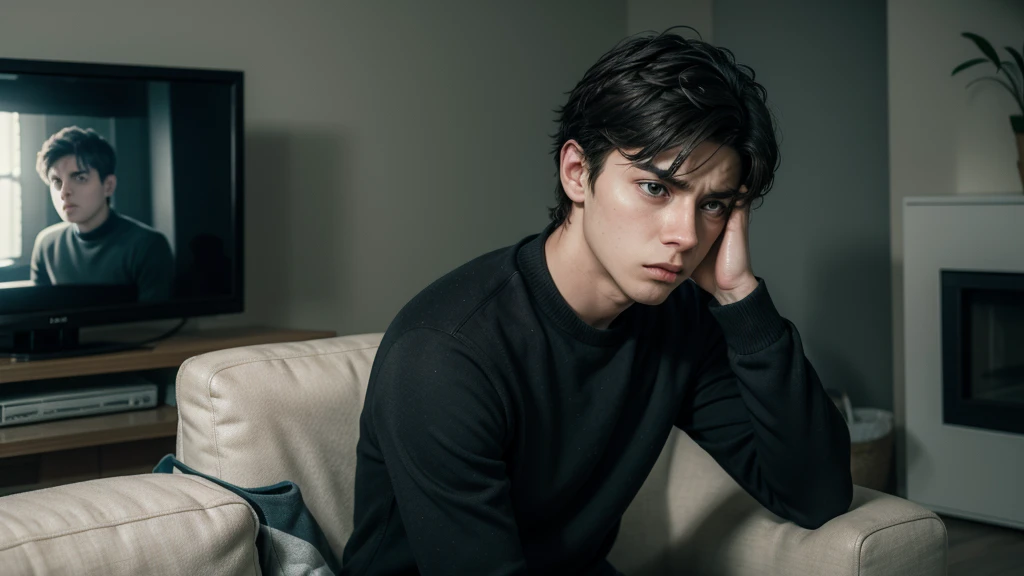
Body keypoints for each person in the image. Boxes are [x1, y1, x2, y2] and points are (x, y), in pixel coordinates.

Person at [341, 28, 853, 576]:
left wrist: (739, 296)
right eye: (657, 188)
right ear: (577, 173)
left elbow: (815, 497)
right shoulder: (444, 355)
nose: (684, 234)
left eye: (714, 204)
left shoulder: (677, 320)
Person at [30, 126, 175, 302]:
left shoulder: (147, 246)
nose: (64, 192)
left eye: (79, 178)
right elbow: (40, 319)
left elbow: (154, 326)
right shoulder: (47, 245)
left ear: (108, 186)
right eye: (57, 181)